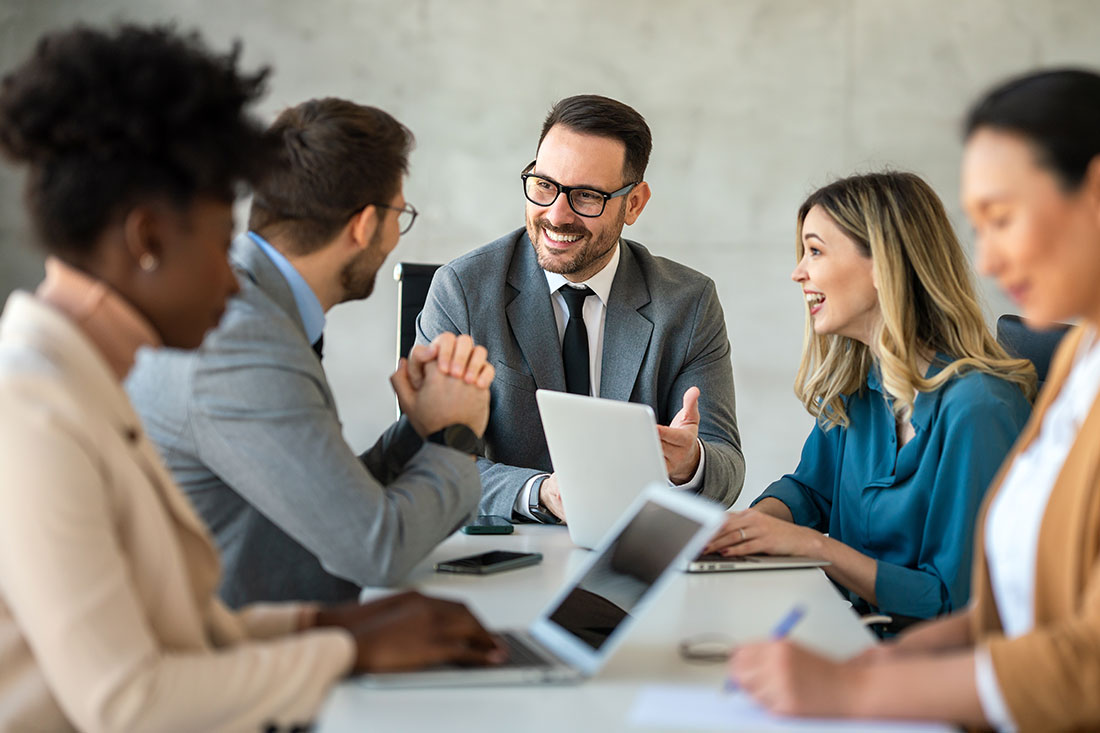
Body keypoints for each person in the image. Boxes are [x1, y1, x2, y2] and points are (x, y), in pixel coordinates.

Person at [0, 25, 499, 732]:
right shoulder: (34, 410)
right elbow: (128, 701)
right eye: (216, 240)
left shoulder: (72, 382)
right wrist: (347, 645)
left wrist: (339, 626)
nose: (232, 275)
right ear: (147, 241)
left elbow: (173, 629)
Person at [728, 69, 1100, 731]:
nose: (985, 262)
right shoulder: (1077, 361)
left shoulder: (981, 404)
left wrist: (852, 688)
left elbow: (1077, 660)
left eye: (1003, 218)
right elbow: (1011, 604)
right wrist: (868, 667)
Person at [127, 97, 495, 606]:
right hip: (239, 648)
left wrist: (421, 430)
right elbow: (377, 549)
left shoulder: (249, 302)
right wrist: (457, 437)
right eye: (399, 215)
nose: (394, 236)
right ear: (365, 225)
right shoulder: (245, 343)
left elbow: (329, 503)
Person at [705, 171, 1034, 625]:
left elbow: (957, 606)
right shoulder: (859, 388)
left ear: (883, 263)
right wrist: (741, 531)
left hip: (929, 670)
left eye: (815, 251)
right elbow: (808, 492)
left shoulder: (979, 408)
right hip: (852, 635)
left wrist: (817, 548)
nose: (798, 272)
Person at [417, 94, 745, 523]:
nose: (556, 215)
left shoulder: (688, 302)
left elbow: (727, 467)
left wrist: (689, 464)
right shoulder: (463, 289)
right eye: (544, 185)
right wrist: (539, 493)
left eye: (587, 196)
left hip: (632, 557)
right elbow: (432, 460)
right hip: (513, 553)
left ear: (634, 203)